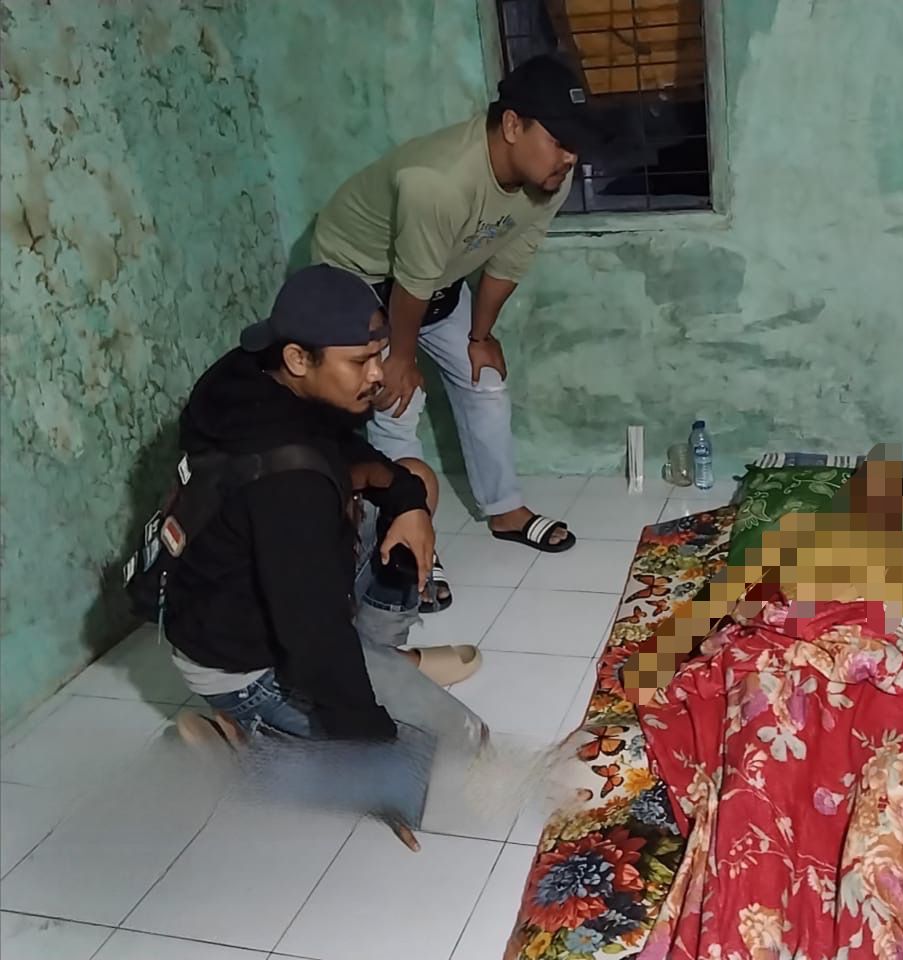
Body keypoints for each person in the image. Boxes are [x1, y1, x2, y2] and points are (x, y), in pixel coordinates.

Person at [164, 265, 487, 777]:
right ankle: (247, 739)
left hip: (265, 592)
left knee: (414, 482)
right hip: (247, 664)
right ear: (298, 358)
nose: (377, 374)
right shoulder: (285, 479)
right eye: (360, 362)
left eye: (378, 356)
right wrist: (375, 748)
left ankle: (380, 655)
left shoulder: (259, 374)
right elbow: (311, 633)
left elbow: (345, 454)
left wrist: (409, 503)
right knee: (447, 757)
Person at [311, 54, 604, 568]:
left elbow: (508, 260)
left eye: (575, 144)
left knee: (485, 381)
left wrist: (480, 337)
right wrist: (401, 359)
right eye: (559, 140)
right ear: (511, 125)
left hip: (431, 275)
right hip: (357, 274)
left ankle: (505, 510)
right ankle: (407, 545)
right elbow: (410, 282)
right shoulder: (437, 182)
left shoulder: (549, 178)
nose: (569, 157)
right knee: (397, 402)